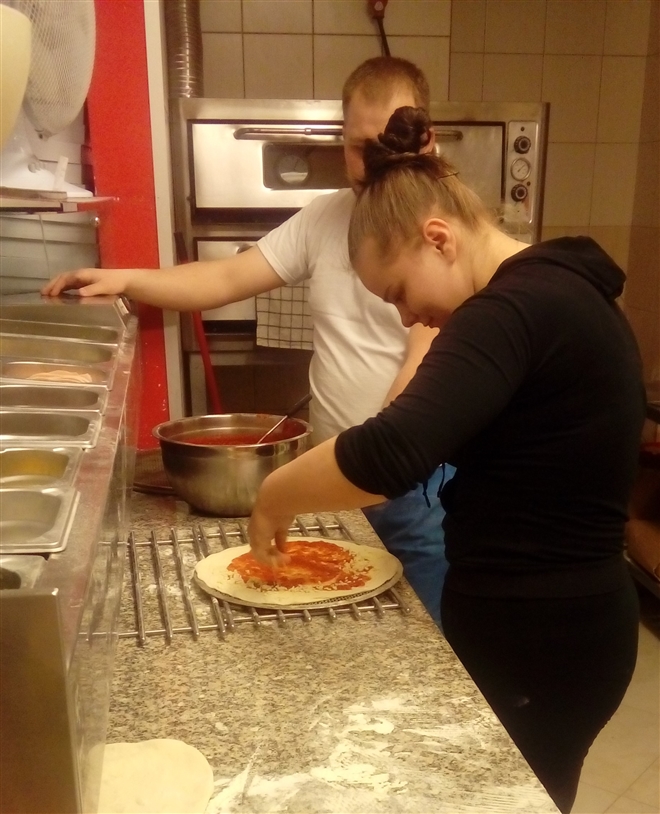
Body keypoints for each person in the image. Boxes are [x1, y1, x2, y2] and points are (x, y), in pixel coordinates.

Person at [246, 106, 647, 813]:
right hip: (559, 629)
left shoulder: (514, 308)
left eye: (399, 293)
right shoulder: (550, 292)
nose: (406, 318)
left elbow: (390, 450)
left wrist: (273, 496)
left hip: (545, 640)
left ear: (438, 238)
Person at [41, 57, 453, 627]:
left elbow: (421, 370)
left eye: (389, 144)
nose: (375, 164)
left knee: (422, 634)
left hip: (410, 483)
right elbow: (226, 277)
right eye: (361, 147)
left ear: (424, 139)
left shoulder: (440, 235)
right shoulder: (327, 217)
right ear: (342, 142)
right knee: (348, 629)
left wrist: (354, 467)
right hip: (338, 472)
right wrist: (126, 280)